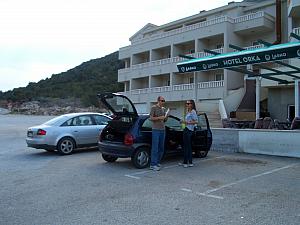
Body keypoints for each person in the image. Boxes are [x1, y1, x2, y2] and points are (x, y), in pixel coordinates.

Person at [149, 96, 168, 171]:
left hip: (162, 129)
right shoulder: (154, 107)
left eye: (164, 101)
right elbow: (150, 118)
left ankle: (157, 162)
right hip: (156, 129)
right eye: (162, 100)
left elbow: (164, 120)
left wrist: (166, 117)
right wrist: (160, 117)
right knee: (155, 148)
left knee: (161, 148)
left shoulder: (163, 109)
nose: (163, 102)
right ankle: (153, 164)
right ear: (158, 101)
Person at [180, 100, 198, 168]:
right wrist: (183, 122)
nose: (187, 104)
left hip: (189, 130)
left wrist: (186, 122)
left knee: (187, 147)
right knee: (188, 146)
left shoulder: (193, 111)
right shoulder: (188, 111)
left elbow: (196, 121)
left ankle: (186, 162)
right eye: (186, 103)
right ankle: (189, 162)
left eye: (188, 103)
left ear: (192, 104)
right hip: (186, 129)